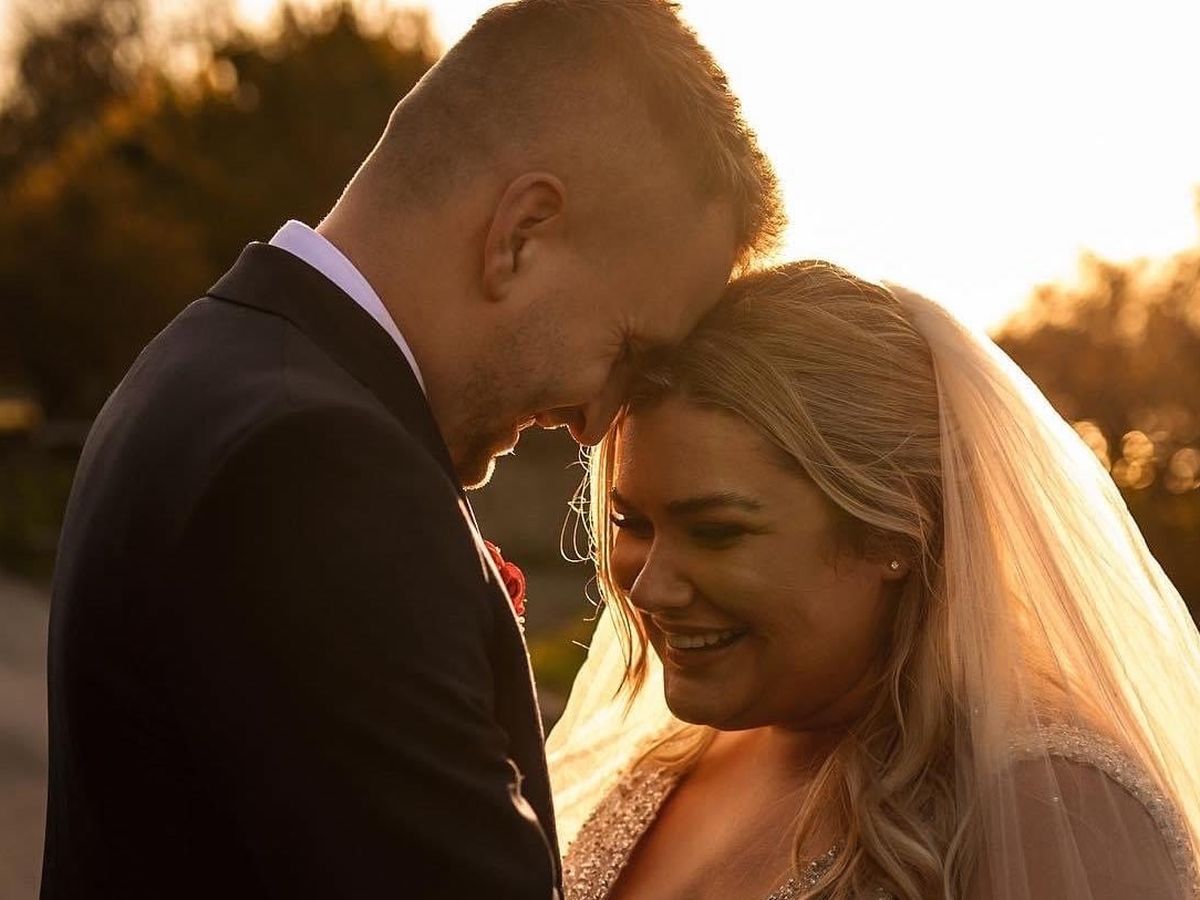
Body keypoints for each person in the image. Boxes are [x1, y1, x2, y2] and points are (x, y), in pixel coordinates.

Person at [40, 2, 782, 897]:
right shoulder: (316, 468)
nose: (597, 424)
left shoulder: (210, 357)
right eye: (625, 347)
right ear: (519, 236)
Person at [548, 261, 1200, 899]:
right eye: (632, 523)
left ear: (893, 534)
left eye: (716, 532)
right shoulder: (667, 762)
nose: (649, 588)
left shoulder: (1053, 811)